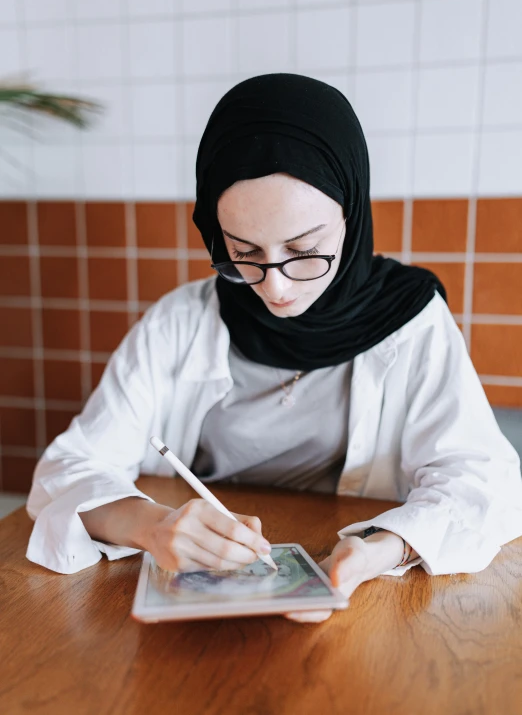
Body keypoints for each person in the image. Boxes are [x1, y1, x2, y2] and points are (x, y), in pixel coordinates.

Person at [26, 73, 522, 623]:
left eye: (304, 249)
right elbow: (67, 469)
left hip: (364, 613)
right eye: (243, 252)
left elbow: (486, 483)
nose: (276, 287)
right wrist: (151, 525)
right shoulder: (181, 321)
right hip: (198, 600)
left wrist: (382, 548)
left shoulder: (411, 321)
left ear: (351, 217)